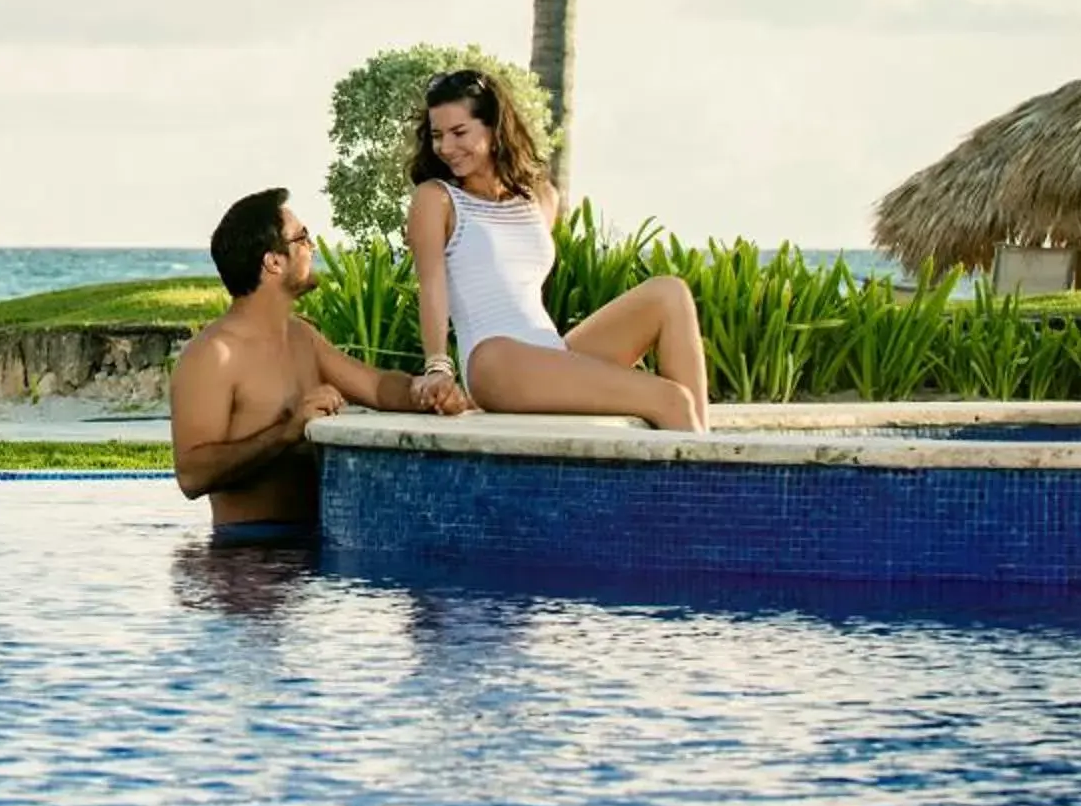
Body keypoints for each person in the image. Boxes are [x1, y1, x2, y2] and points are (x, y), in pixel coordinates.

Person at [403, 67, 709, 430]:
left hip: (550, 353)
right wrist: (438, 365)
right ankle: (708, 475)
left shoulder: (541, 198)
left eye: (459, 132)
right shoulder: (436, 199)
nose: (447, 148)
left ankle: (701, 456)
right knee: (670, 398)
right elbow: (432, 284)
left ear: (494, 128)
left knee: (669, 293)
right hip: (494, 360)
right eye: (438, 136)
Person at [171, 187, 468, 543]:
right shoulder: (213, 355)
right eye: (303, 237)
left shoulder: (303, 338)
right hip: (246, 558)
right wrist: (286, 432)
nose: (312, 247)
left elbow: (374, 386)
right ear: (273, 262)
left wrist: (423, 390)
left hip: (315, 549)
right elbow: (191, 475)